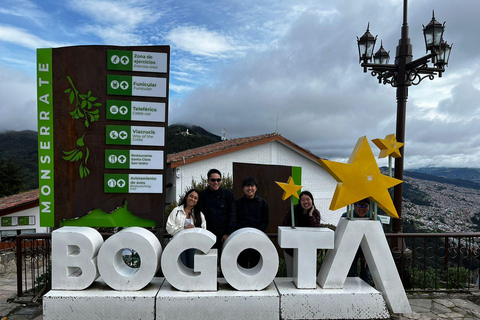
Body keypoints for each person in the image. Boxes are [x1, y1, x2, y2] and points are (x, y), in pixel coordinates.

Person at [282, 190, 321, 277]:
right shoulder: (293, 210)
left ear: (312, 200)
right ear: (300, 201)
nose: (306, 202)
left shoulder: (316, 213)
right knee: (292, 274)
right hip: (292, 249)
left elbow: (316, 230)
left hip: (308, 249)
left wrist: (310, 215)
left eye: (308, 199)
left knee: (305, 275)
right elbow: (284, 225)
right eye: (303, 200)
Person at [166, 189, 206, 268]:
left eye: (195, 198)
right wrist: (183, 229)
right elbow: (169, 228)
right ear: (186, 197)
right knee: (181, 266)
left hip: (193, 245)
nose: (192, 199)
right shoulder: (176, 211)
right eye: (191, 196)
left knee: (192, 267)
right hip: (178, 244)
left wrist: (194, 230)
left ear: (197, 201)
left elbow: (203, 230)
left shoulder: (199, 214)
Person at [235, 176, 269, 268]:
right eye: (247, 186)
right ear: (243, 188)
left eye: (252, 186)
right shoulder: (237, 203)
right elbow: (235, 220)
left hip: (257, 238)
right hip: (241, 237)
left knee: (256, 262)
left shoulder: (263, 203)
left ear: (256, 188)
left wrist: (255, 233)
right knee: (241, 261)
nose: (250, 188)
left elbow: (265, 221)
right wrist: (244, 232)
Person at [199, 169, 236, 251]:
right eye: (213, 180)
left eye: (218, 180)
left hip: (223, 235)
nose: (216, 182)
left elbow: (232, 214)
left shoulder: (227, 194)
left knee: (224, 260)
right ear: (208, 181)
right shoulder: (202, 195)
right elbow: (199, 214)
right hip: (207, 234)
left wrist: (228, 233)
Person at [341, 198, 375, 284]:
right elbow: (341, 234)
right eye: (359, 205)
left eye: (365, 206)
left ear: (369, 207)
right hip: (351, 248)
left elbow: (378, 236)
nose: (361, 208)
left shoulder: (374, 217)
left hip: (367, 248)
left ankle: (367, 294)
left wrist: (369, 254)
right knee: (350, 273)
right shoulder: (346, 215)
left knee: (366, 274)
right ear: (354, 205)